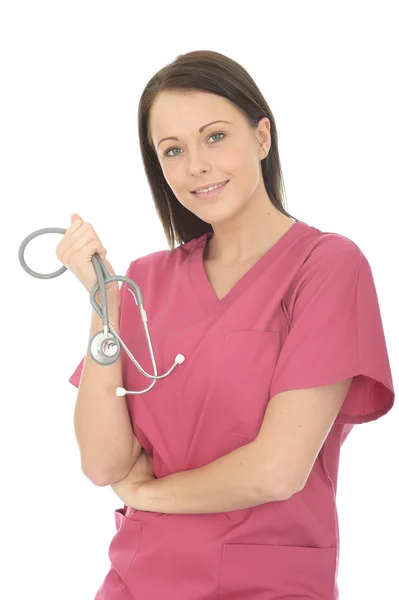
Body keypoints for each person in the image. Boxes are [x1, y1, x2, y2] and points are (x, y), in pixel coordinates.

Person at [64, 50, 395, 599]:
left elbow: (274, 471)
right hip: (135, 582)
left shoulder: (327, 267)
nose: (195, 165)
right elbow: (103, 463)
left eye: (214, 136)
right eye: (173, 150)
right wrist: (104, 304)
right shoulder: (143, 281)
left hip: (267, 584)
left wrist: (147, 494)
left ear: (262, 136)